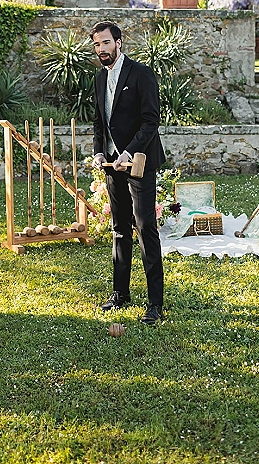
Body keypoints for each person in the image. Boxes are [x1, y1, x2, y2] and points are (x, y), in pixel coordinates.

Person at [90, 21, 166, 325]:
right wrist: (99, 151)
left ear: (119, 43)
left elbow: (151, 121)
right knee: (119, 227)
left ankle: (155, 304)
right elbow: (99, 121)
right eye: (96, 45)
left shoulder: (141, 74)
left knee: (145, 227)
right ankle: (120, 294)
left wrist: (128, 153)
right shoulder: (98, 78)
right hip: (111, 163)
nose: (101, 49)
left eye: (106, 43)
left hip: (140, 161)